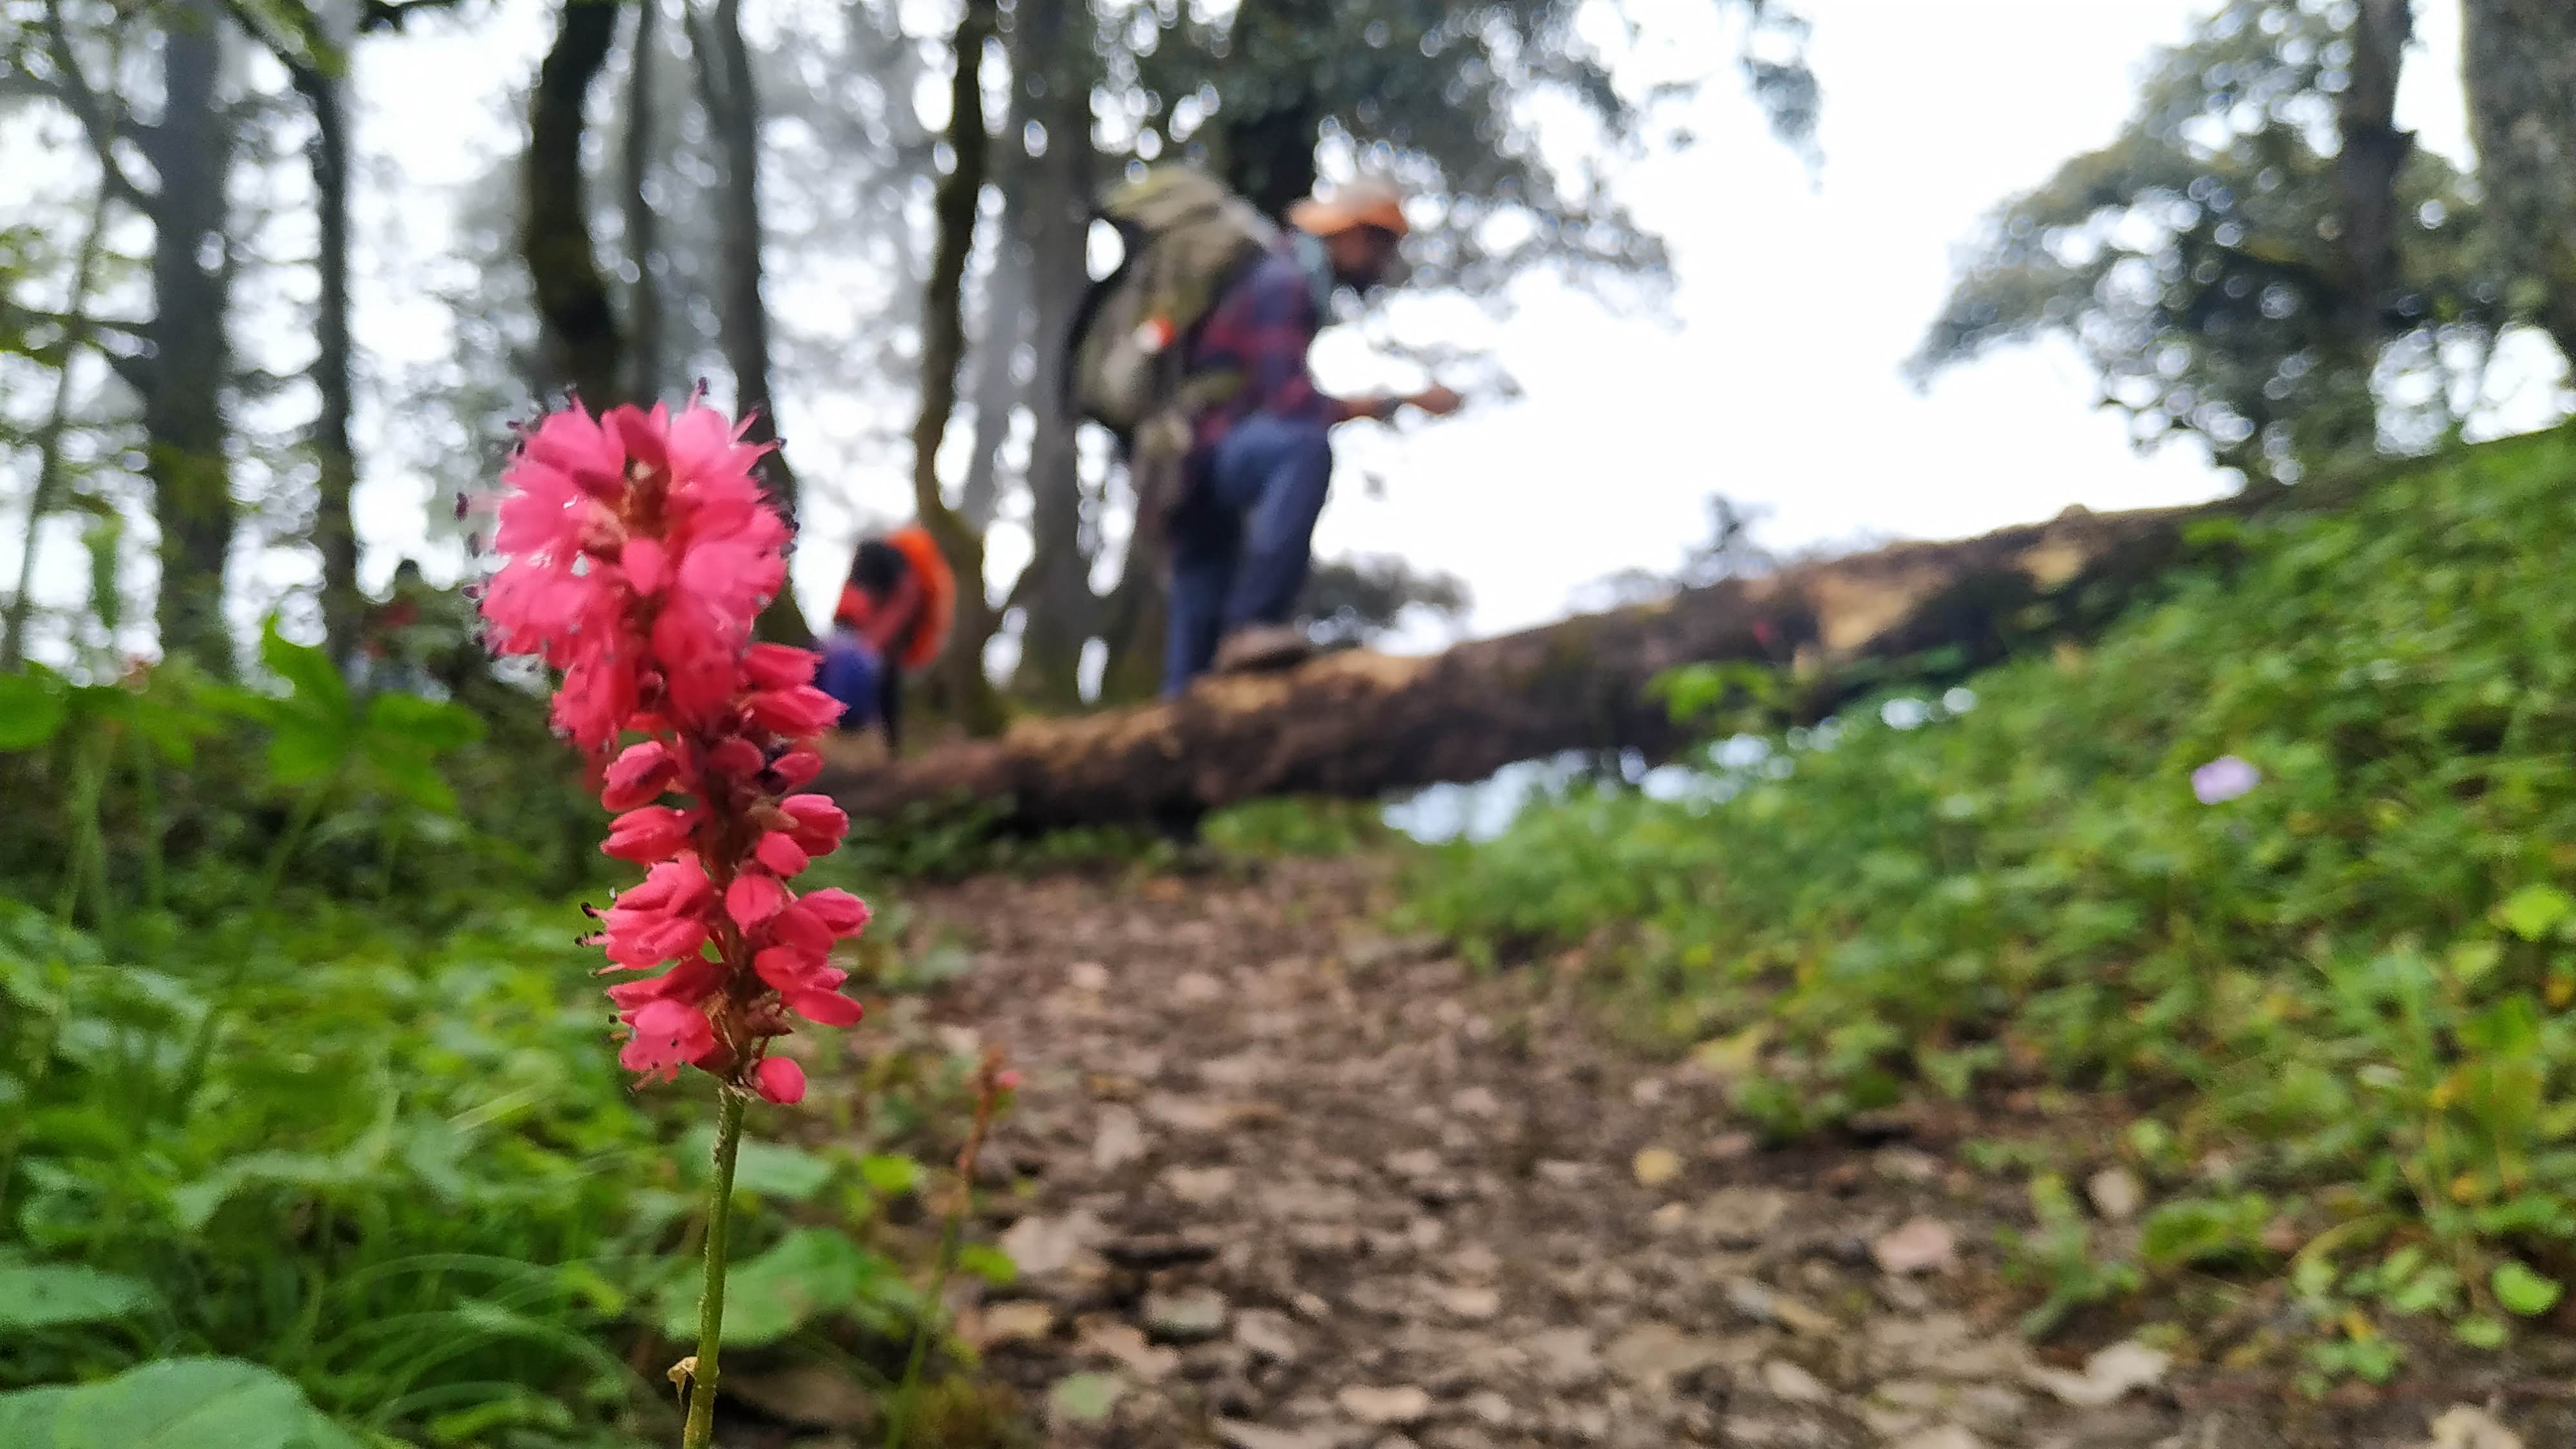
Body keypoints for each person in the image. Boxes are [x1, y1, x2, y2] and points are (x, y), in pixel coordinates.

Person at [1159, 176, 1464, 696]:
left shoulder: (1276, 275)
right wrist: (1401, 400)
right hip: (1208, 454)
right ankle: (1253, 624)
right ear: (1353, 235)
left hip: (1183, 466)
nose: (1383, 263)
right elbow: (1294, 404)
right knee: (1303, 449)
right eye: (1383, 246)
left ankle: (1173, 739)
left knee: (1196, 623)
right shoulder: (1284, 281)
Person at [817, 525, 953, 752]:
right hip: (861, 648)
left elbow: (900, 599)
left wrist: (874, 640)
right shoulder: (896, 568)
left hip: (864, 647)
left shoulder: (888, 564)